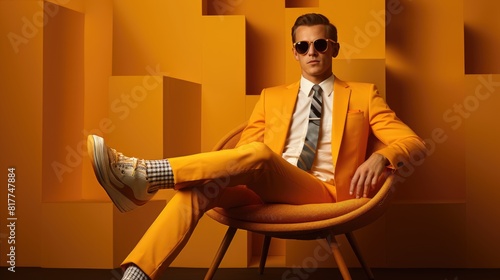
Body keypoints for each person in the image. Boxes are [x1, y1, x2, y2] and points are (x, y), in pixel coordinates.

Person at [87, 13, 426, 280]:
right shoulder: (271, 97)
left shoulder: (364, 95)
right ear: (294, 52)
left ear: (334, 48)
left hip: (322, 191)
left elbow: (413, 142)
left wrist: (383, 155)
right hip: (262, 186)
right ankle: (137, 274)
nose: (312, 53)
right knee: (197, 191)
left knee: (262, 155)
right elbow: (243, 153)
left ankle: (145, 175)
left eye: (320, 45)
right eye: (304, 47)